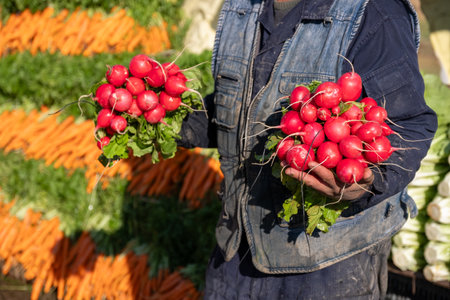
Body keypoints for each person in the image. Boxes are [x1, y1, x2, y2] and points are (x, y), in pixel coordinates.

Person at [177, 0, 438, 298]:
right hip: (234, 253)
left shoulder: (375, 11)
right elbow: (236, 111)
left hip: (327, 270)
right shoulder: (241, 7)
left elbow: (411, 125)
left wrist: (367, 184)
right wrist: (173, 123)